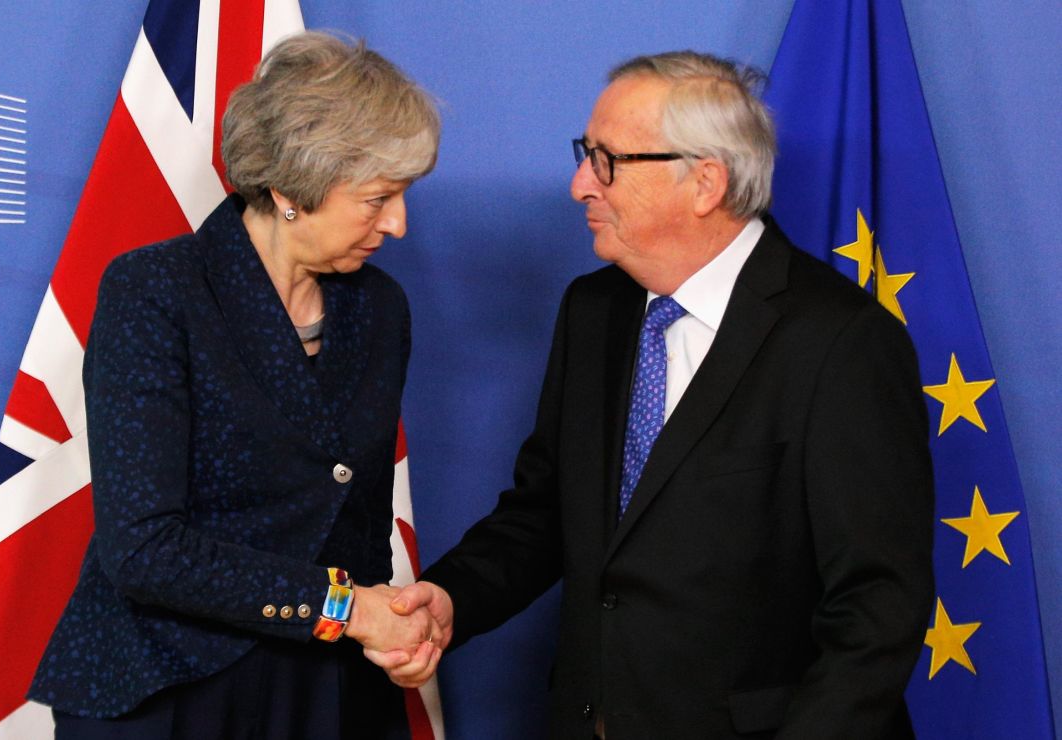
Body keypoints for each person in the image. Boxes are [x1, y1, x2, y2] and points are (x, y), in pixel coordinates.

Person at [369, 51, 935, 739]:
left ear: (704, 182)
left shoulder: (840, 342)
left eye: (607, 159)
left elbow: (877, 609)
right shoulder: (593, 310)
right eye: (586, 153)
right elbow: (547, 512)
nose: (580, 183)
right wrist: (453, 599)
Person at [29, 31, 441, 739]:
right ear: (289, 192)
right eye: (378, 199)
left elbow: (357, 521)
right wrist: (344, 609)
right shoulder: (156, 290)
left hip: (331, 682)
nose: (397, 224)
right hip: (171, 681)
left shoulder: (378, 307)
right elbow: (144, 549)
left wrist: (399, 622)